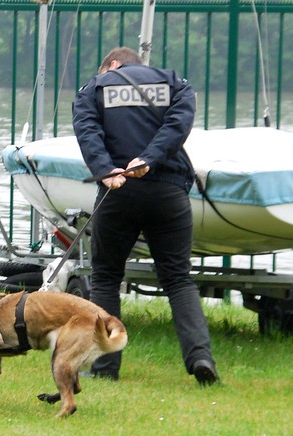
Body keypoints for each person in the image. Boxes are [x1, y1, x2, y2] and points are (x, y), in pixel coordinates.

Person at [72, 46, 219, 386]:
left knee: (107, 278)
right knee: (179, 279)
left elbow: (87, 129)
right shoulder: (174, 83)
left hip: (116, 190)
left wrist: (105, 168)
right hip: (167, 190)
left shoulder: (94, 87)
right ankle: (200, 358)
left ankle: (106, 368)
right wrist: (149, 158)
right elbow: (178, 124)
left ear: (112, 64)